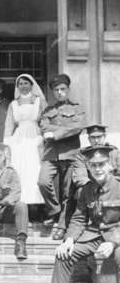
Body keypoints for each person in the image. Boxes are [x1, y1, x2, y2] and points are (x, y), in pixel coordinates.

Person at [45, 145, 120, 283]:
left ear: (110, 165)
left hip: (116, 235)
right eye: (93, 165)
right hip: (94, 236)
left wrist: (114, 243)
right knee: (63, 255)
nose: (98, 169)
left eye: (101, 164)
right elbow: (79, 218)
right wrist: (69, 240)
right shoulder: (86, 189)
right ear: (88, 167)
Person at [38, 73, 85, 240]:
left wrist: (55, 134)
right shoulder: (48, 110)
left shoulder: (77, 108)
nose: (59, 92)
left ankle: (62, 226)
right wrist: (57, 130)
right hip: (51, 154)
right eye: (56, 90)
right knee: (43, 181)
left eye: (62, 89)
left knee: (68, 192)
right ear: (53, 92)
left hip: (71, 154)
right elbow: (44, 126)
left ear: (68, 89)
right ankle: (54, 210)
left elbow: (77, 127)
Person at [3, 73, 47, 205]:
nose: (23, 86)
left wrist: (43, 137)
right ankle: (20, 201)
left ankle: (37, 204)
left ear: (31, 85)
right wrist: (7, 142)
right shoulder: (14, 104)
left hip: (35, 136)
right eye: (20, 84)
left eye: (26, 83)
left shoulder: (40, 101)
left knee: (34, 168)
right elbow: (9, 124)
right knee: (19, 167)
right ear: (17, 86)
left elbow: (46, 119)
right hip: (19, 139)